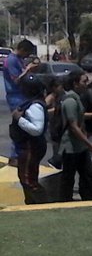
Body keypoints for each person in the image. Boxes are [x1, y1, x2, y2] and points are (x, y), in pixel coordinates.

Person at [60, 70, 92, 202]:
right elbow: (73, 126)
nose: (86, 84)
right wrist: (90, 145)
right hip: (71, 147)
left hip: (80, 146)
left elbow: (80, 116)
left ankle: (89, 199)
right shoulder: (70, 101)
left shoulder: (77, 99)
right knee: (68, 177)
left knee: (87, 176)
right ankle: (66, 202)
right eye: (84, 81)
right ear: (75, 83)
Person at [10, 75, 48, 204]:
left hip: (31, 147)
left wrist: (18, 119)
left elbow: (37, 129)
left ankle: (40, 203)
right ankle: (31, 203)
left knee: (28, 179)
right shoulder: (31, 102)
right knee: (27, 177)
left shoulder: (35, 106)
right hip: (28, 147)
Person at [3, 39, 38, 166]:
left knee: (23, 124)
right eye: (27, 53)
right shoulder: (11, 60)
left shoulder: (18, 59)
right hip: (15, 96)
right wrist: (28, 69)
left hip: (22, 95)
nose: (27, 56)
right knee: (19, 124)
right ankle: (15, 156)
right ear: (22, 49)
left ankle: (18, 154)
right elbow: (16, 80)